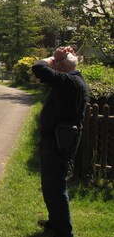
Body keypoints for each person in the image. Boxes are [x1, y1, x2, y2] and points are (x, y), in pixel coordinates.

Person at [31, 46, 89, 237]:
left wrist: (53, 57)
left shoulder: (70, 82)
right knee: (51, 184)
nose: (53, 68)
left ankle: (64, 231)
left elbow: (38, 68)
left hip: (58, 141)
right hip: (59, 138)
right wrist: (60, 58)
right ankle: (56, 222)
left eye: (56, 65)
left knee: (55, 186)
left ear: (62, 67)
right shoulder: (74, 80)